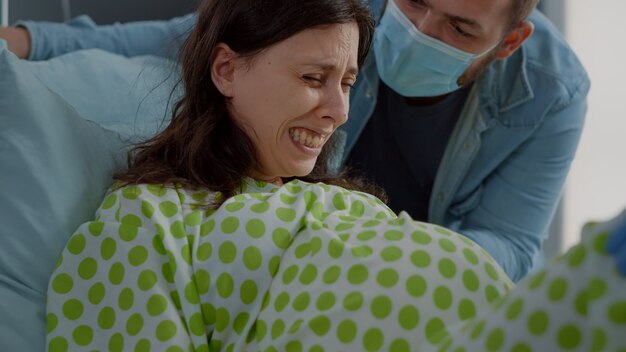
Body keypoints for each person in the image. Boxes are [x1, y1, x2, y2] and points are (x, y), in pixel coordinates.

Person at [45, 0, 626, 351]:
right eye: (313, 78)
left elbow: (510, 243)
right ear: (226, 69)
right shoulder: (148, 221)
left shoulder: (353, 207)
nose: (341, 111)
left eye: (347, 83)